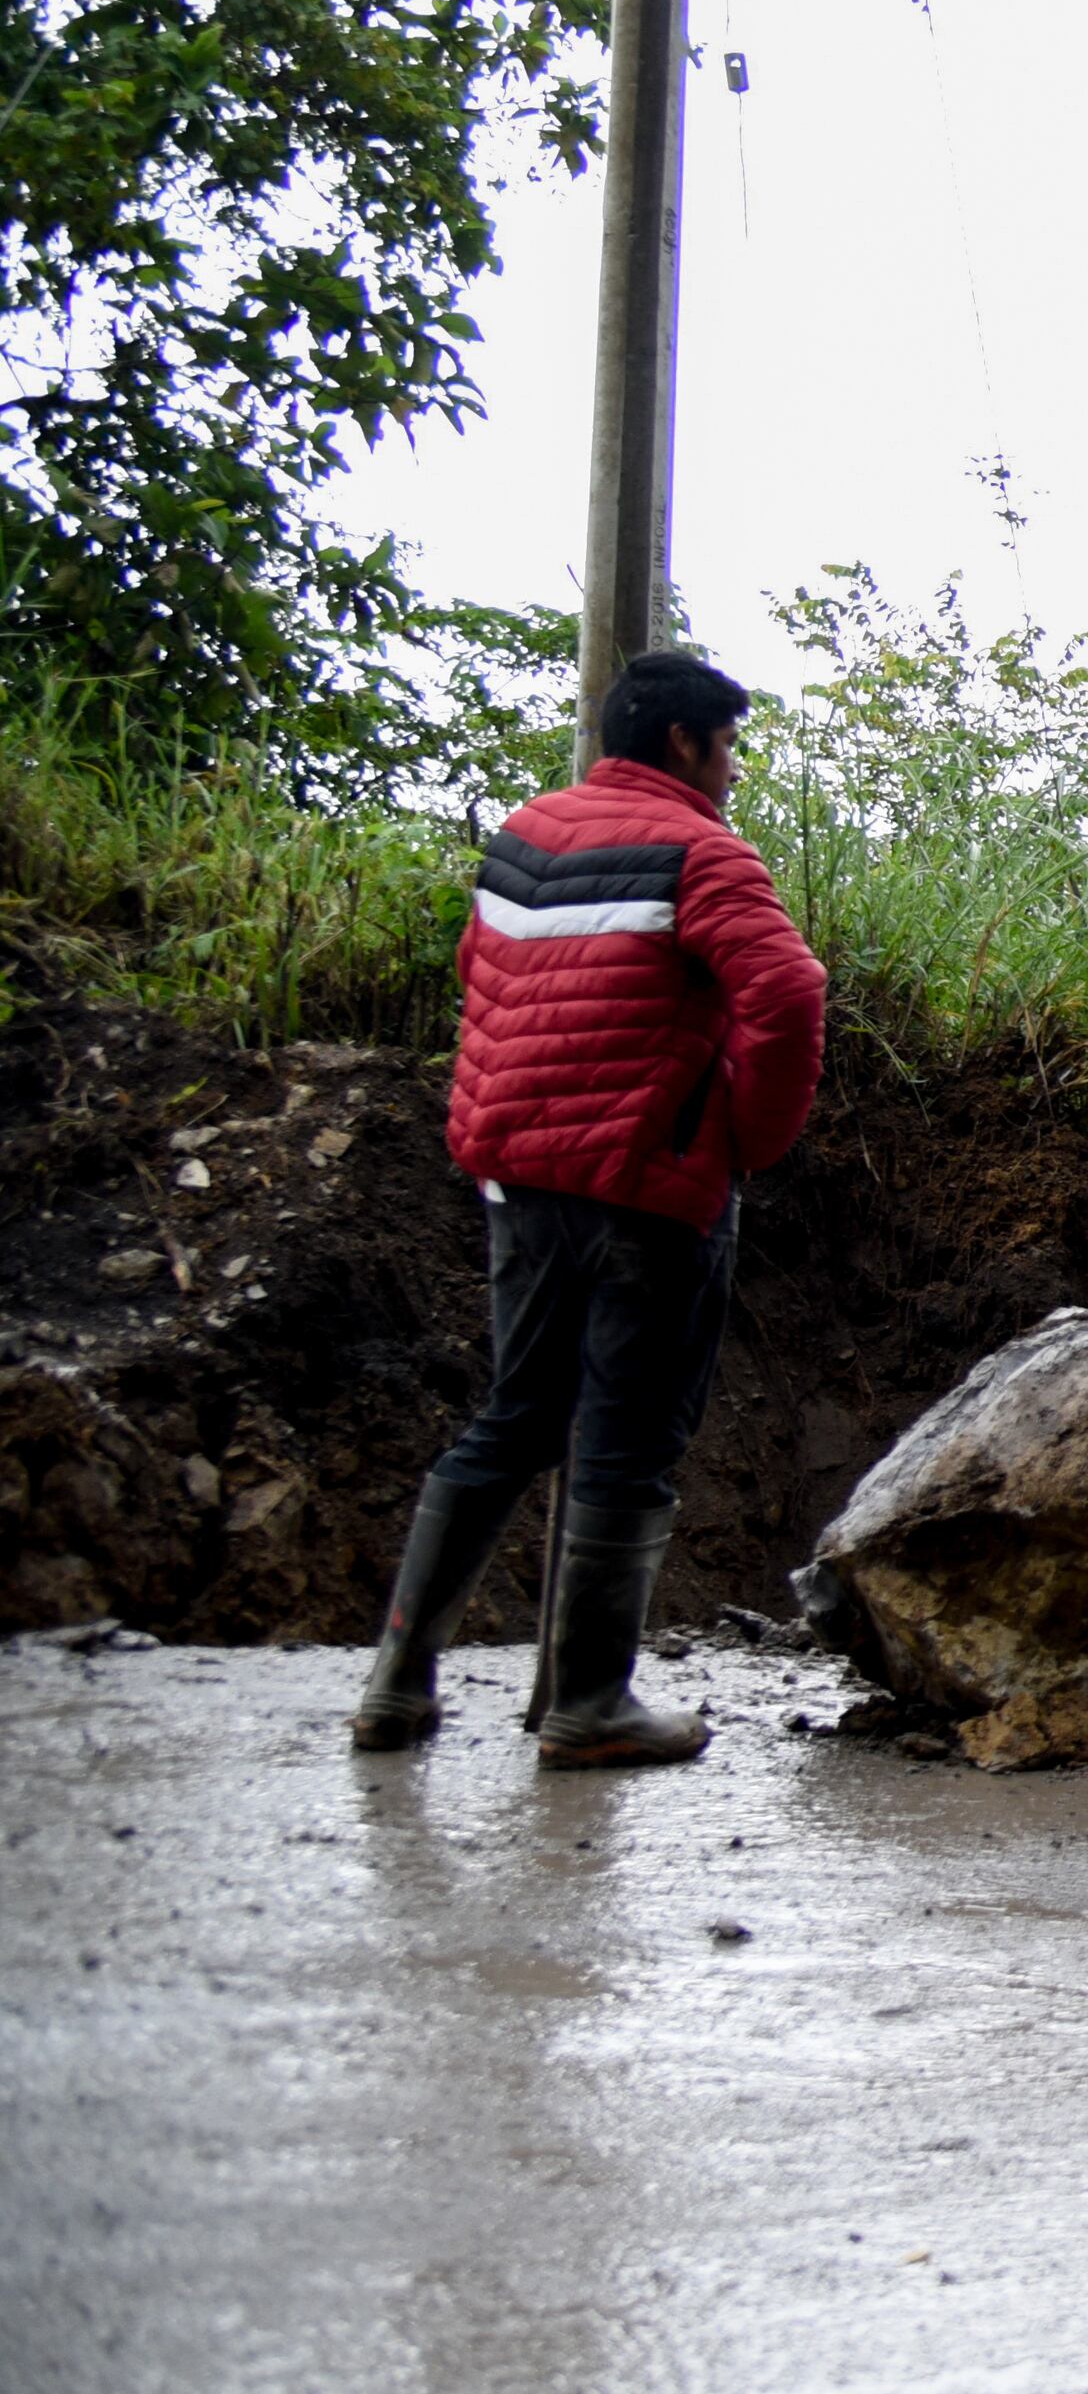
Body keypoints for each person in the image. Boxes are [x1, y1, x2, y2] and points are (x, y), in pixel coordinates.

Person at [355, 649, 828, 1766]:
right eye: (728, 745)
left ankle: (395, 1687)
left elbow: (485, 973)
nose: (733, 769)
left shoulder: (523, 836)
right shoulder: (702, 851)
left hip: (520, 1176)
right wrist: (746, 1138)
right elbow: (788, 987)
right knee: (626, 1439)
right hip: (644, 1189)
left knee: (514, 1418)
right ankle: (588, 1705)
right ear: (683, 743)